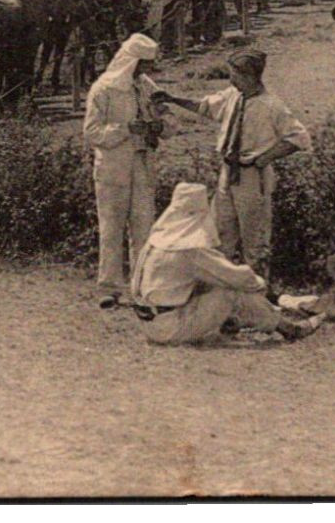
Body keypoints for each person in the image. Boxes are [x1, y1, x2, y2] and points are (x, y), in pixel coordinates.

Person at [156, 49, 310, 284]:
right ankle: (223, 290)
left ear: (249, 76)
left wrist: (263, 158)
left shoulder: (272, 106)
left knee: (255, 239)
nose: (231, 80)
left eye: (235, 75)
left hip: (252, 177)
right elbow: (204, 107)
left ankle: (259, 293)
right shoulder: (232, 96)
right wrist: (172, 98)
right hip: (227, 175)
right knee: (220, 235)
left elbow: (299, 138)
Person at [130, 183, 314, 344]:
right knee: (231, 291)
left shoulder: (155, 242)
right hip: (171, 328)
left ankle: (231, 321)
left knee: (211, 285)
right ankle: (289, 328)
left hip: (149, 325)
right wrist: (258, 283)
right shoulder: (191, 250)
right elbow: (240, 278)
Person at [82, 33, 165, 304]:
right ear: (131, 61)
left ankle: (142, 287)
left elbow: (168, 118)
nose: (146, 71)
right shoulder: (103, 89)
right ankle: (109, 288)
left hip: (142, 165)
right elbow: (92, 132)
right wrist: (125, 130)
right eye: (143, 65)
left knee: (144, 226)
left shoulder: (146, 86)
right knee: (111, 227)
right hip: (113, 168)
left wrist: (159, 126)